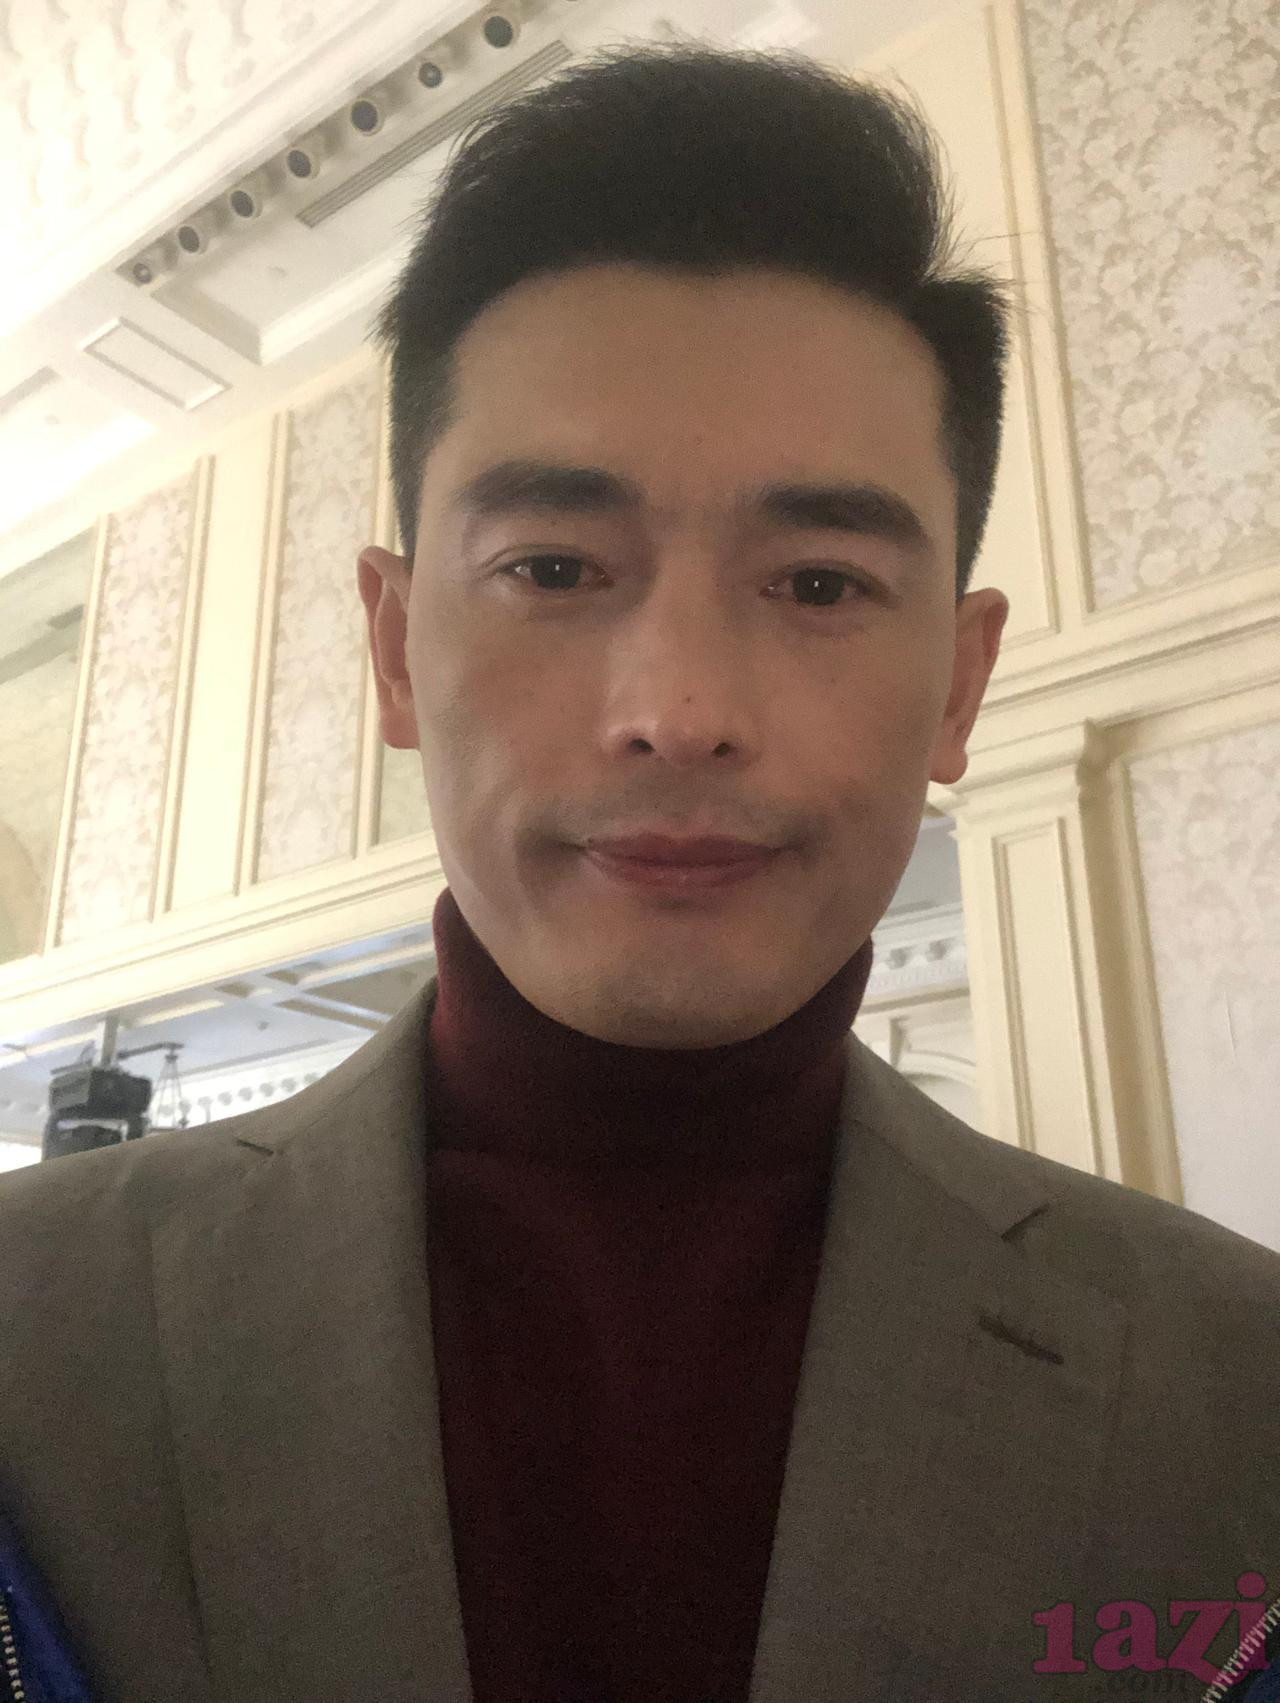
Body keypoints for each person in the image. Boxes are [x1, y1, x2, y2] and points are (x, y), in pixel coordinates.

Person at [2, 39, 1278, 1703]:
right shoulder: (33, 1332)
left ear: (960, 688)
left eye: (819, 584)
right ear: (394, 648)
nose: (678, 711)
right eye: (552, 566)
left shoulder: (1232, 1392)